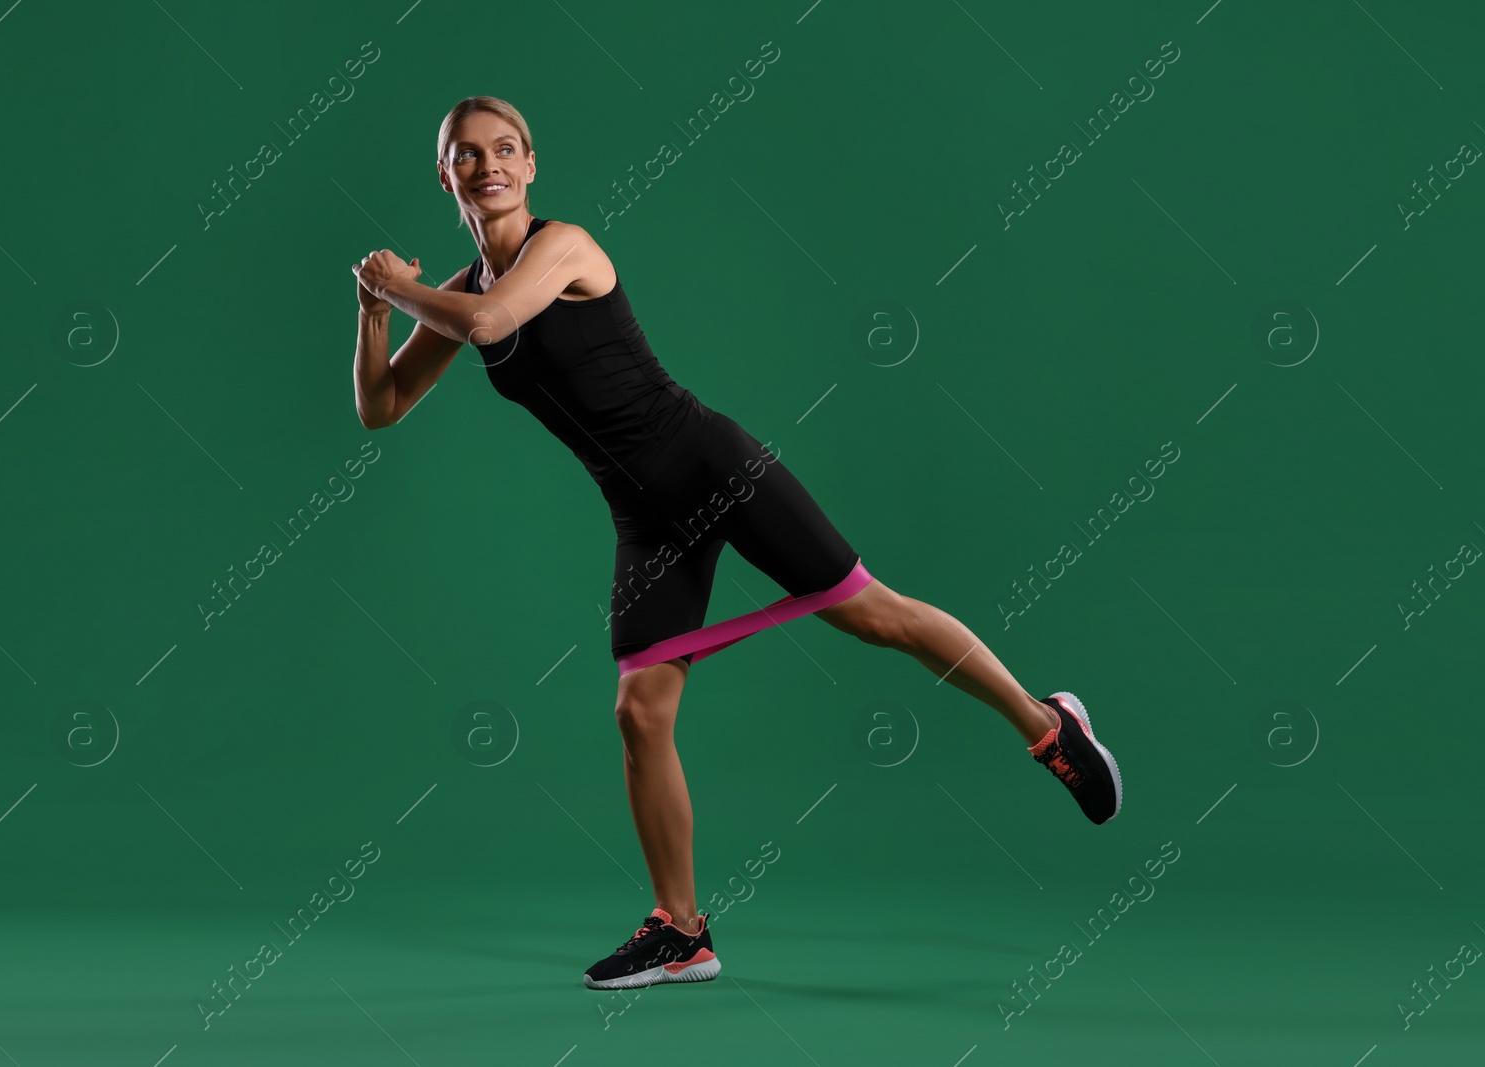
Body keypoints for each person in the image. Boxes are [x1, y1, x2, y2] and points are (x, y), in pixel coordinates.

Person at [350, 96, 1122, 991]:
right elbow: (382, 406)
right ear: (445, 174)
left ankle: (1049, 726)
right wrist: (372, 306)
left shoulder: (562, 247)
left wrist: (398, 287)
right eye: (466, 154)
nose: (487, 164)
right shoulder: (458, 289)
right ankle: (681, 930)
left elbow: (489, 327)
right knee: (639, 713)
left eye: (505, 149)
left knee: (878, 618)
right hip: (643, 517)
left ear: (530, 166)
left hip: (716, 466)